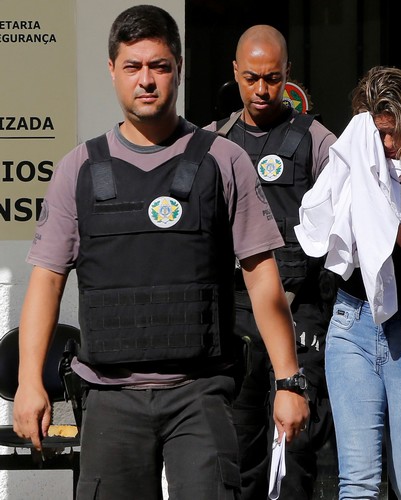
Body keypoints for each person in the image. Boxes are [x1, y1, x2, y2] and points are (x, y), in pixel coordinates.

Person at [12, 6, 308, 500]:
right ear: (112, 70)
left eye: (159, 66)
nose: (145, 80)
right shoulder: (79, 169)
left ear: (179, 68)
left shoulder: (223, 159)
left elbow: (261, 277)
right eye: (133, 66)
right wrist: (28, 383)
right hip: (110, 397)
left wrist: (289, 381)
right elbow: (46, 281)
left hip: (202, 392)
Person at [296, 65, 401, 499]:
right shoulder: (358, 164)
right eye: (377, 134)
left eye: (394, 132)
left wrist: (373, 176)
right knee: (358, 484)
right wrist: (360, 167)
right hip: (354, 322)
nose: (386, 145)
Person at [203, 25, 337, 500]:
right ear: (235, 73)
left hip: (301, 316)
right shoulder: (212, 143)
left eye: (274, 79)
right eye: (252, 78)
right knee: (236, 456)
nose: (262, 90)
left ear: (289, 76)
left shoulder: (317, 141)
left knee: (297, 462)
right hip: (235, 320)